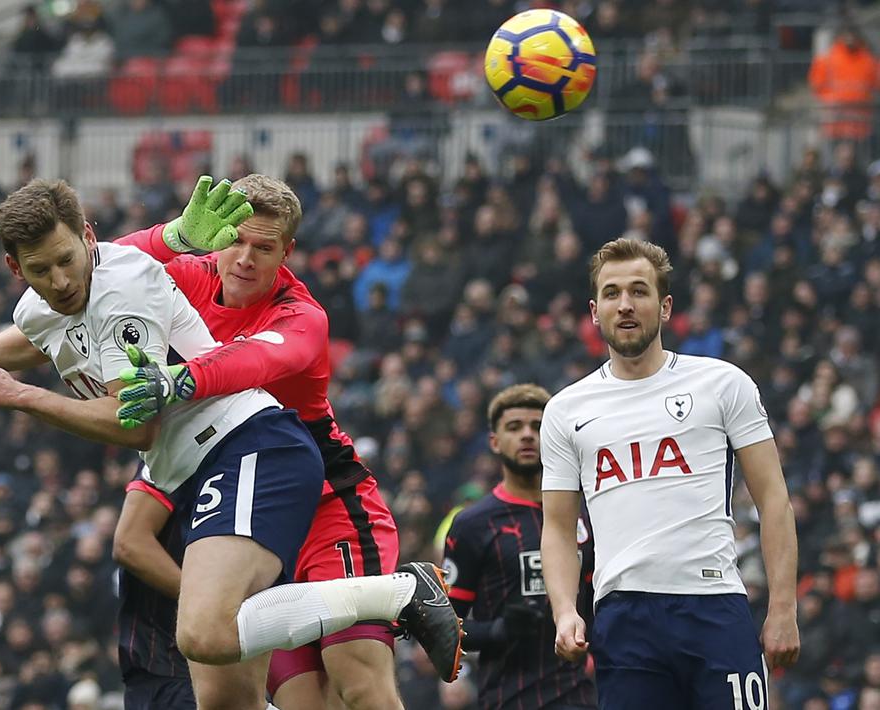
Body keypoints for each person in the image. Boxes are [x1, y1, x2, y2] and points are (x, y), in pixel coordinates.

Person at [0, 179, 461, 710]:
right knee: (223, 693)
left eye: (67, 261)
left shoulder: (139, 292)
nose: (60, 280)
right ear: (17, 268)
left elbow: (137, 424)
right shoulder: (72, 291)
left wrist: (21, 398)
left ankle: (402, 592)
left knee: (240, 642)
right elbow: (36, 334)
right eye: (42, 269)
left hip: (260, 452)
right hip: (198, 468)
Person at [113, 174, 431, 709]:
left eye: (264, 248)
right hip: (247, 510)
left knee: (357, 680)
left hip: (328, 503)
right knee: (293, 701)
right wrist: (172, 235)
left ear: (287, 252)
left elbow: (254, 360)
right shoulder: (185, 274)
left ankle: (407, 590)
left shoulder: (303, 315)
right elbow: (101, 271)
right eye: (235, 239)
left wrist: (180, 379)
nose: (244, 258)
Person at [540, 239, 801, 709]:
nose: (626, 305)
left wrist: (783, 607)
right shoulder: (565, 410)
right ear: (594, 312)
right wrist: (563, 610)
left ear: (665, 307)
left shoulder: (722, 384)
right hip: (623, 617)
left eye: (639, 291)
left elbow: (774, 500)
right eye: (613, 293)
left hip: (713, 604)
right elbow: (558, 527)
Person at [442, 383, 596, 710]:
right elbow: (442, 627)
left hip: (583, 696)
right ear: (494, 442)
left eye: (538, 427)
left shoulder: (586, 514)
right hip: (507, 698)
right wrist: (496, 630)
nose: (527, 435)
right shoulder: (473, 525)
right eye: (514, 427)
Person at [111, 474, 195, 709]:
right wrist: (204, 605)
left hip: (197, 668)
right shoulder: (176, 455)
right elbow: (130, 545)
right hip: (168, 666)